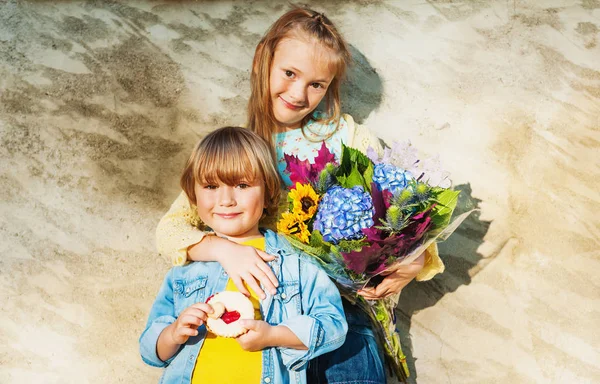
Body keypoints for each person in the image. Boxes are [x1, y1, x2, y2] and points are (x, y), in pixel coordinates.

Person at [156, 7, 445, 383]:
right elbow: (170, 230)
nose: (298, 93)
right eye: (289, 74)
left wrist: (412, 261)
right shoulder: (238, 150)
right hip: (265, 320)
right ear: (264, 59)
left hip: (344, 321)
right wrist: (224, 250)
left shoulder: (350, 139)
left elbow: (402, 216)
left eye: (317, 84)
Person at [140, 127, 348, 384]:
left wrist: (274, 335)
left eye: (241, 185)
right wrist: (173, 334)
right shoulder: (186, 267)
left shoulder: (296, 262)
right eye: (211, 186)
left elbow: (333, 326)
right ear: (193, 194)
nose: (226, 200)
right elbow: (150, 351)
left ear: (268, 191)